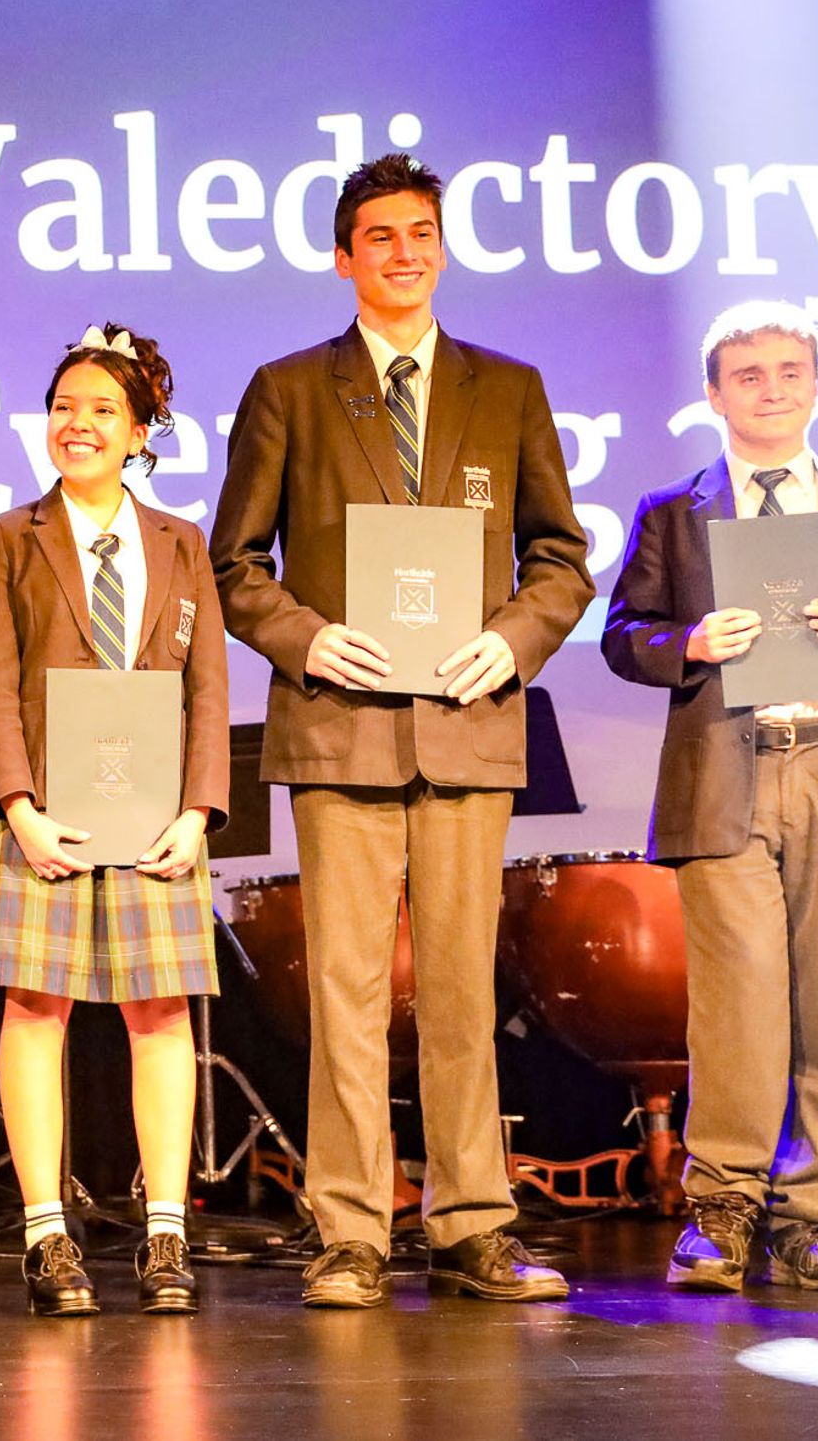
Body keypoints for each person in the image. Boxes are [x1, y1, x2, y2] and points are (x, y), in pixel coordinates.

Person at [208, 153, 593, 1308]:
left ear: (443, 247)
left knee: (466, 988)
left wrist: (514, 642)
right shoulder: (287, 389)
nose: (403, 252)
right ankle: (351, 1230)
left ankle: (473, 1223)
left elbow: (560, 557)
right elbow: (235, 564)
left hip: (468, 721)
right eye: (379, 236)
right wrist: (306, 639)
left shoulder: (507, 387)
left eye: (420, 232)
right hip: (343, 726)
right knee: (346, 990)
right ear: (343, 257)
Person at [603, 300, 818, 1293]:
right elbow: (624, 634)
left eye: (789, 371)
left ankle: (817, 1217)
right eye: (748, 375)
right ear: (713, 394)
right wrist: (688, 642)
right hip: (729, 771)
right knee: (737, 1008)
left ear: (816, 385)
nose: (771, 390)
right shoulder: (673, 511)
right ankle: (721, 1208)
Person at [0, 325, 228, 1318]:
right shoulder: (11, 537)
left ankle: (165, 1233)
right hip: (44, 815)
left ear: (140, 431)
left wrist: (198, 810)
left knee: (162, 1015)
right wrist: (17, 807)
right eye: (64, 406)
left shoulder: (181, 542)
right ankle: (46, 1235)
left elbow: (208, 689)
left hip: (155, 817)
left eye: (103, 410)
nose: (79, 424)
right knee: (35, 1010)